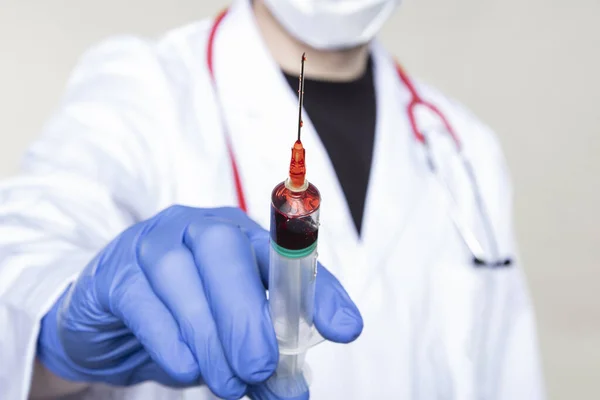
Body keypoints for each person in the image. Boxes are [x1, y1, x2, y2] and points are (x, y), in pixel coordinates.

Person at [0, 0, 546, 399]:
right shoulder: (145, 87)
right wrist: (55, 330)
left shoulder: (464, 148)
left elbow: (511, 375)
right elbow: (24, 249)